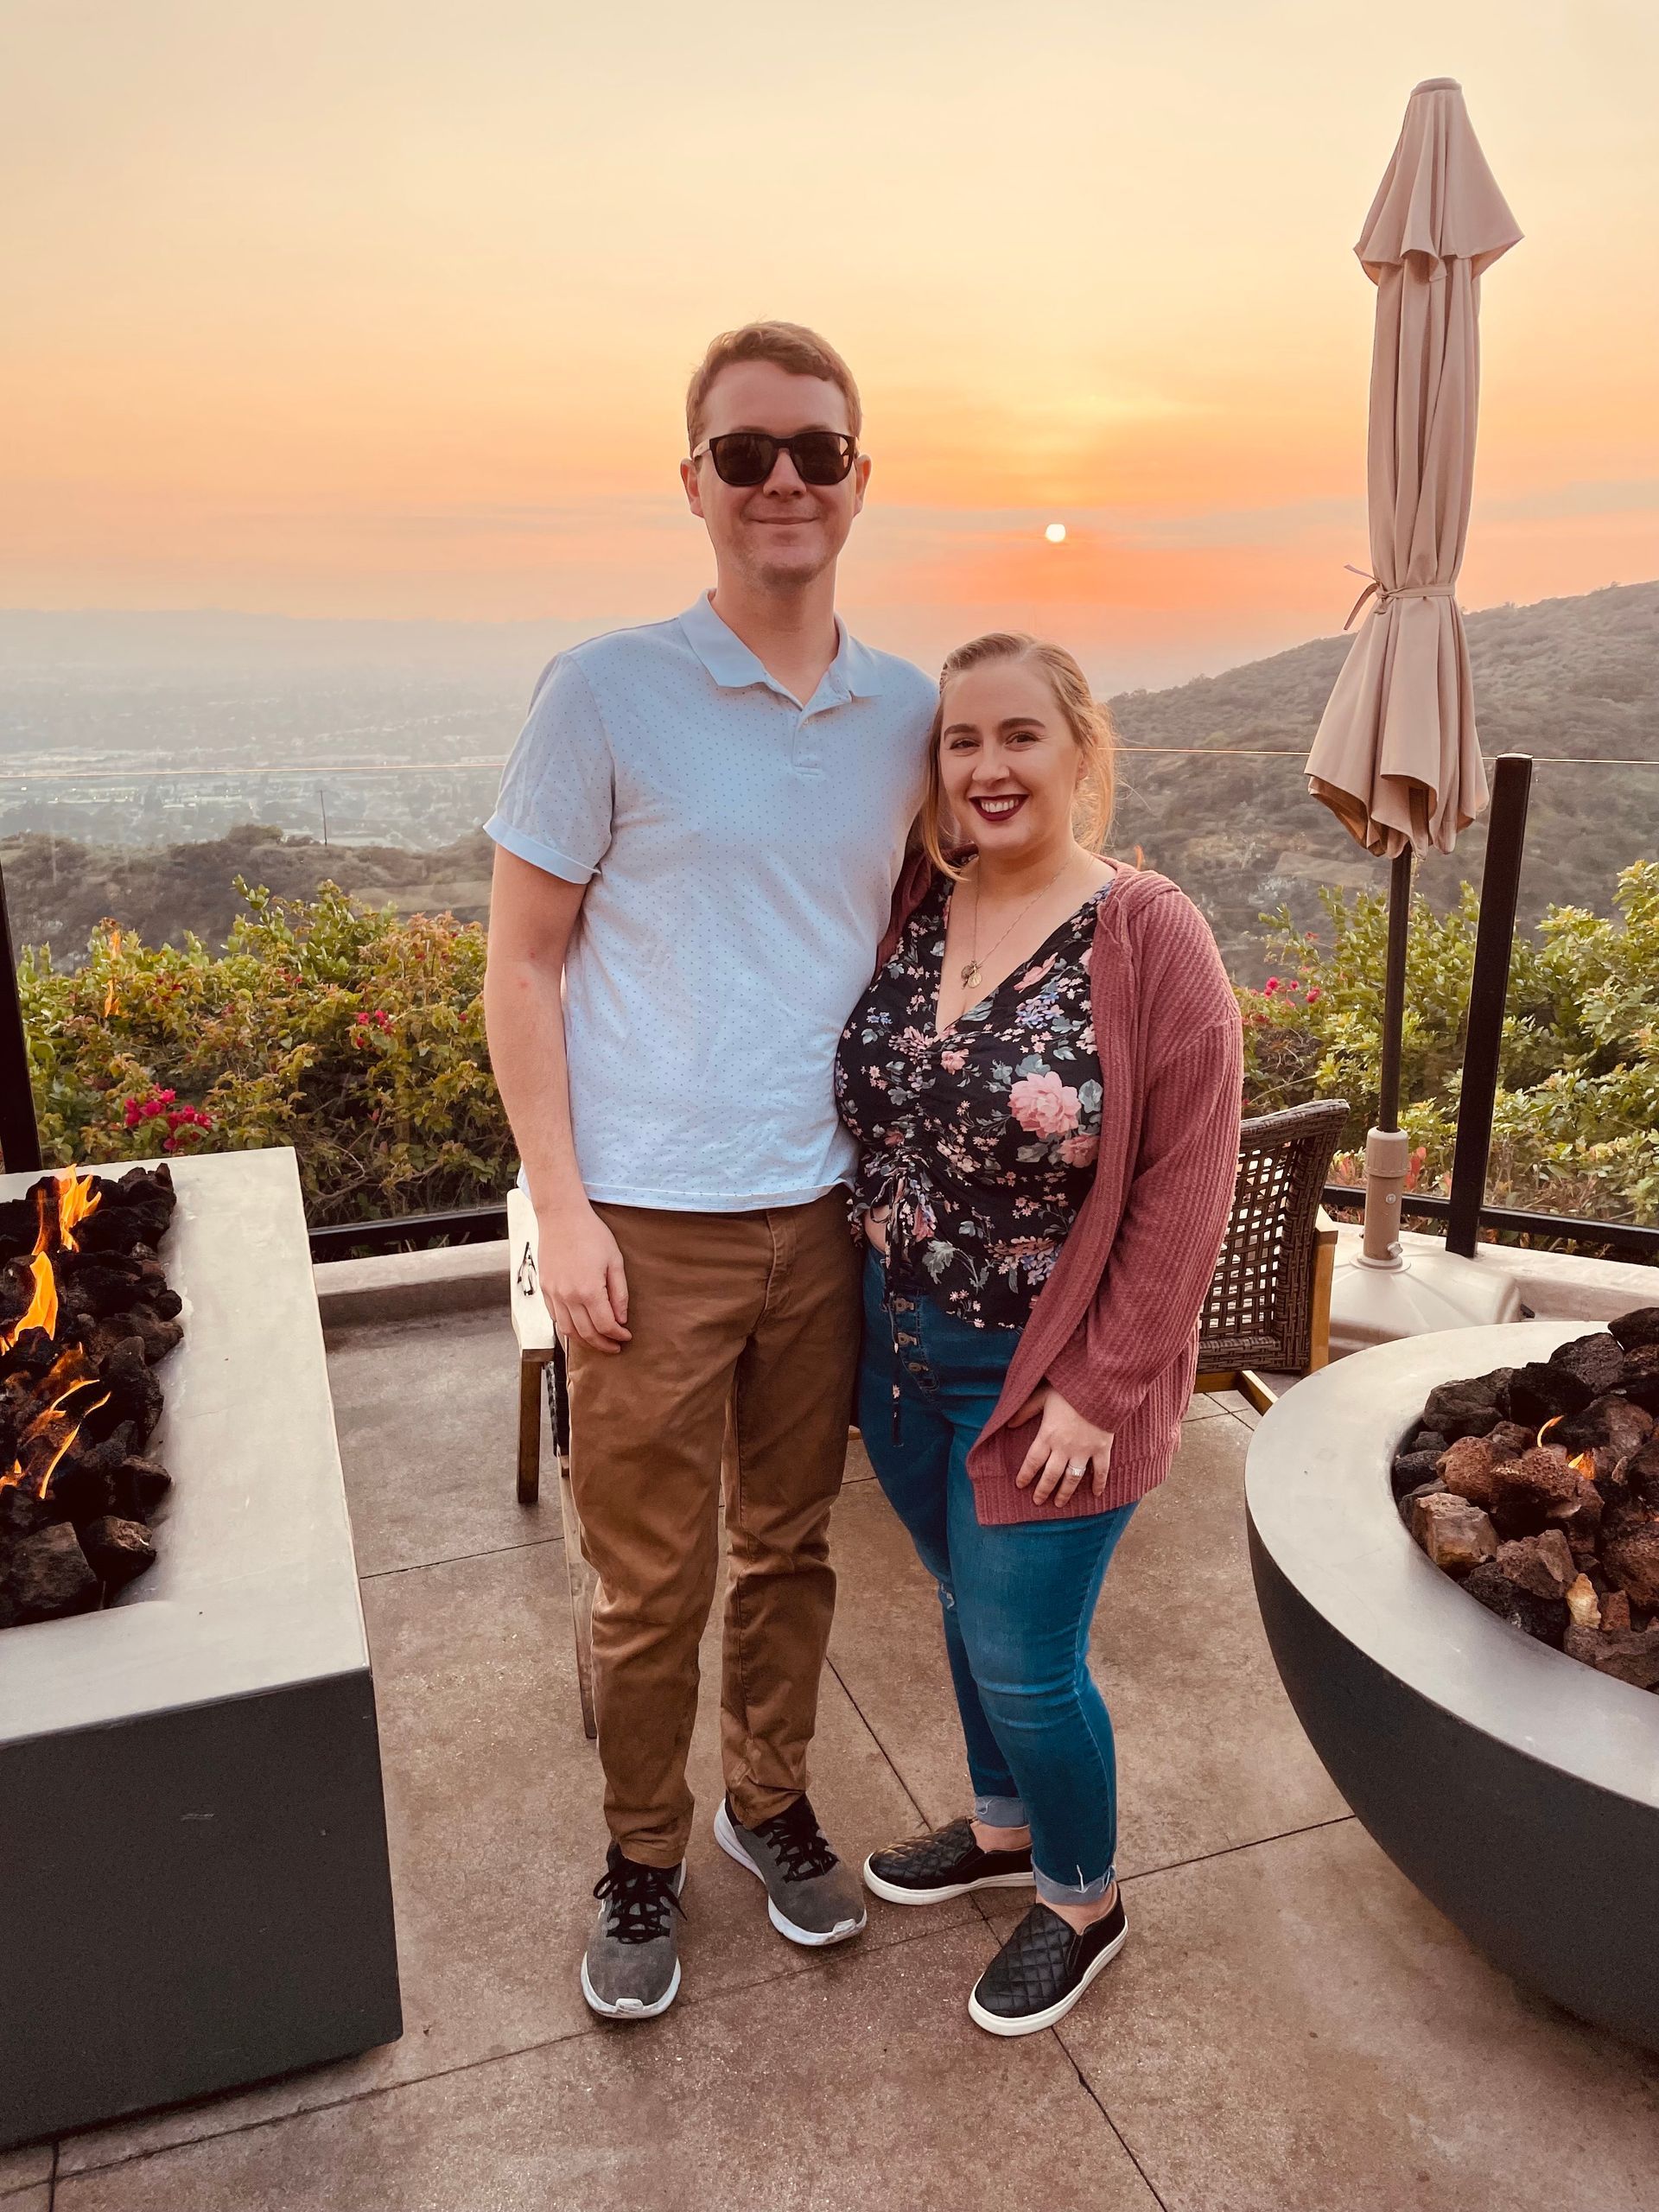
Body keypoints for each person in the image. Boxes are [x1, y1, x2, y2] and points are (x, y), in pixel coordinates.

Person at [483, 322, 937, 2020]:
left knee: (793, 1546)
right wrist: (564, 1209)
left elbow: (977, 896)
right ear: (694, 483)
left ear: (861, 479)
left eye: (816, 450)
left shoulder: (906, 711)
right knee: (647, 1578)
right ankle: (641, 1850)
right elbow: (522, 965)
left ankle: (767, 1796)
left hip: (822, 1215)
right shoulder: (606, 690)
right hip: (646, 1223)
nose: (783, 481)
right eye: (746, 454)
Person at [834, 632, 1243, 2036]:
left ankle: (1082, 1896)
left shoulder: (1147, 934)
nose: (990, 766)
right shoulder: (916, 904)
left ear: (1080, 750)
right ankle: (1003, 1827)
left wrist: (1101, 1387)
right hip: (899, 1352)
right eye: (963, 741)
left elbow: (1188, 1183)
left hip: (1047, 1377)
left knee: (1025, 1655)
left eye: (1020, 736)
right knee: (965, 1603)